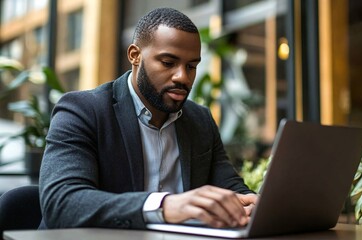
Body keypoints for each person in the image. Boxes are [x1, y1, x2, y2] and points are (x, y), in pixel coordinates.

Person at [39, 7, 258, 230]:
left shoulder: (199, 120)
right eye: (168, 63)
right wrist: (164, 206)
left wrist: (252, 204)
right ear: (135, 56)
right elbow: (62, 203)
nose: (183, 76)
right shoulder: (82, 111)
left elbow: (229, 186)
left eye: (191, 66)